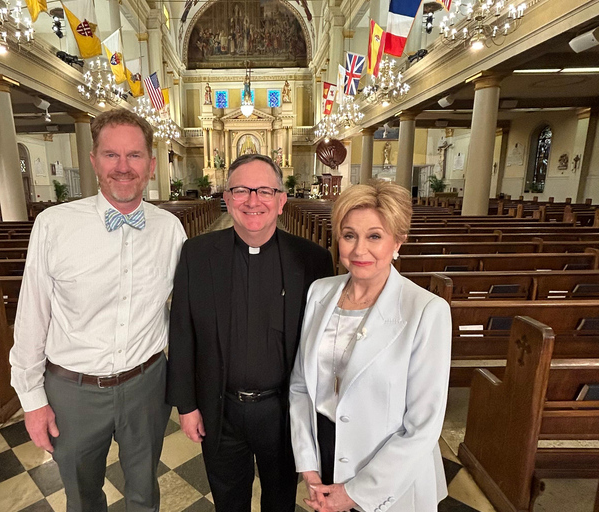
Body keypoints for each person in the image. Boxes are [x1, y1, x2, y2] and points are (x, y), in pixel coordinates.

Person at [10, 109, 186, 512]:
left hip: (146, 385)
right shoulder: (55, 225)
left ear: (151, 164)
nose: (123, 168)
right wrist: (31, 399)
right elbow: (31, 316)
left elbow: (185, 312)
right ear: (93, 160)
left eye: (134, 156)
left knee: (144, 491)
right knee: (82, 495)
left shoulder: (169, 229)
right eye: (111, 155)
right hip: (73, 391)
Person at [166, 154, 334, 511]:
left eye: (264, 191)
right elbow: (182, 331)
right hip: (219, 408)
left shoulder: (313, 259)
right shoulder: (196, 254)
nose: (253, 201)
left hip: (284, 411)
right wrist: (187, 405)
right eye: (241, 190)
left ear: (281, 201)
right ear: (226, 198)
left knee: (280, 500)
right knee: (228, 501)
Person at [290, 181, 451, 512]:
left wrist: (355, 493)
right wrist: (307, 459)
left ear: (398, 242)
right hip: (325, 452)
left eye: (374, 236)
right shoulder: (320, 292)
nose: (359, 250)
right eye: (349, 236)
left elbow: (423, 426)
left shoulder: (425, 310)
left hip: (389, 472)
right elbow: (299, 386)